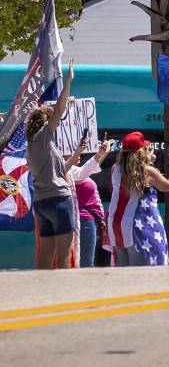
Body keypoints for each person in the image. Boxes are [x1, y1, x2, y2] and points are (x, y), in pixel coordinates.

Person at [26, 61, 76, 270]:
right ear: (45, 122)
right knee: (64, 252)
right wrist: (68, 81)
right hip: (58, 200)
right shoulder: (43, 137)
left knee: (46, 253)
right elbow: (59, 111)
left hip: (41, 202)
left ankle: (42, 291)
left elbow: (58, 171)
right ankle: (64, 293)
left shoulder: (31, 145)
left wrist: (75, 156)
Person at [107, 132, 169, 266]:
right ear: (140, 152)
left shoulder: (115, 169)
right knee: (139, 271)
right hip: (136, 224)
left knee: (123, 270)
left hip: (116, 223)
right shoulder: (146, 171)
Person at [72, 139, 114, 268]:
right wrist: (100, 153)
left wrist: (104, 152)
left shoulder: (75, 171)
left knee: (86, 260)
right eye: (72, 153)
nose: (78, 155)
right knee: (86, 262)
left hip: (89, 221)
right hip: (84, 221)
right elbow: (85, 171)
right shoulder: (67, 172)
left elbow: (91, 168)